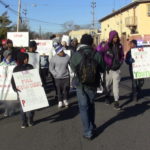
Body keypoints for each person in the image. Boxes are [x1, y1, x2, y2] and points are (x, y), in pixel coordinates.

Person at [70, 34, 106, 140]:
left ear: (81, 42)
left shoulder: (76, 54)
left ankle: (88, 131)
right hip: (93, 84)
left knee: (83, 107)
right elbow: (102, 69)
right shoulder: (97, 54)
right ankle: (92, 126)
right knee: (91, 105)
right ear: (91, 43)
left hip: (80, 85)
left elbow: (72, 67)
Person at [99, 30, 124, 110]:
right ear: (111, 37)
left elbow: (122, 55)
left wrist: (120, 62)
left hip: (116, 70)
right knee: (107, 85)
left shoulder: (120, 46)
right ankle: (107, 96)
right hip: (108, 70)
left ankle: (116, 102)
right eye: (114, 37)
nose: (115, 39)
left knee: (116, 86)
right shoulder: (106, 46)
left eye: (116, 37)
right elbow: (100, 52)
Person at [11, 52, 35, 128]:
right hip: (21, 91)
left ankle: (30, 119)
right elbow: (13, 80)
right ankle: (24, 122)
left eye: (27, 58)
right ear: (22, 59)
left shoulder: (30, 66)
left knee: (32, 106)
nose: (27, 60)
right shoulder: (16, 69)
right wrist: (15, 88)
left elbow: (35, 76)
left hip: (31, 89)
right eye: (25, 58)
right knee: (23, 107)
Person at [49, 42, 70, 108]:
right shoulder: (53, 58)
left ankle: (65, 100)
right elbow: (51, 68)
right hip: (57, 77)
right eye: (60, 52)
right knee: (59, 90)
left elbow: (71, 65)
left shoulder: (67, 57)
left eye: (62, 51)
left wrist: (71, 73)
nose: (62, 52)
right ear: (57, 52)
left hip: (66, 76)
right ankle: (60, 101)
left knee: (66, 89)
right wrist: (55, 74)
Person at [0, 50, 16, 117]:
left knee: (12, 97)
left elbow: (16, 70)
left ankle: (12, 109)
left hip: (12, 82)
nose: (10, 56)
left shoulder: (14, 62)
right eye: (8, 55)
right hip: (4, 83)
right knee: (6, 98)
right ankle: (6, 110)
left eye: (10, 55)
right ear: (5, 56)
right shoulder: (1, 64)